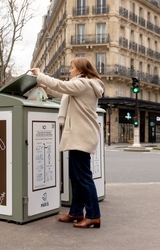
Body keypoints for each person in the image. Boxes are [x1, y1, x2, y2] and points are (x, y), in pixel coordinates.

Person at [31, 57, 105, 229]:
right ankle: (76, 212)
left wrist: (40, 75)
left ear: (80, 70)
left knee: (84, 178)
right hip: (79, 134)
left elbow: (63, 87)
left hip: (81, 135)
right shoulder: (83, 85)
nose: (69, 71)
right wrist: (45, 87)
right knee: (77, 177)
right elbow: (65, 93)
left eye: (72, 68)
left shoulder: (84, 83)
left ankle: (93, 216)